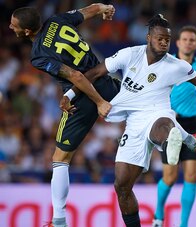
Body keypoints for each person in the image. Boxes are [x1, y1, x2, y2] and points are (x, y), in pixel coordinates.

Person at [61, 14, 196, 227]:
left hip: (158, 112)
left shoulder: (176, 65)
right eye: (159, 38)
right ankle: (184, 138)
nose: (163, 43)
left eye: (167, 40)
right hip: (133, 121)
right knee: (122, 186)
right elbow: (95, 72)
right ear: (148, 37)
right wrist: (69, 95)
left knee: (163, 127)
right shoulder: (129, 55)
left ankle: (171, 141)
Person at [9, 4, 120, 227]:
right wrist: (105, 8)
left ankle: (59, 221)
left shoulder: (38, 55)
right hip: (105, 81)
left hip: (82, 99)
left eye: (14, 25)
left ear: (27, 31)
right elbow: (91, 9)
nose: (10, 27)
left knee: (60, 159)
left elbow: (76, 76)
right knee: (145, 109)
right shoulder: (57, 21)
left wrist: (99, 102)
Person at [152, 25, 196, 227]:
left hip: (192, 123)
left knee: (192, 174)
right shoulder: (166, 63)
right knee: (170, 177)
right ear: (178, 43)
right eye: (185, 39)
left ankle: (183, 224)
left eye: (192, 40)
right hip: (169, 124)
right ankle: (158, 214)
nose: (188, 42)